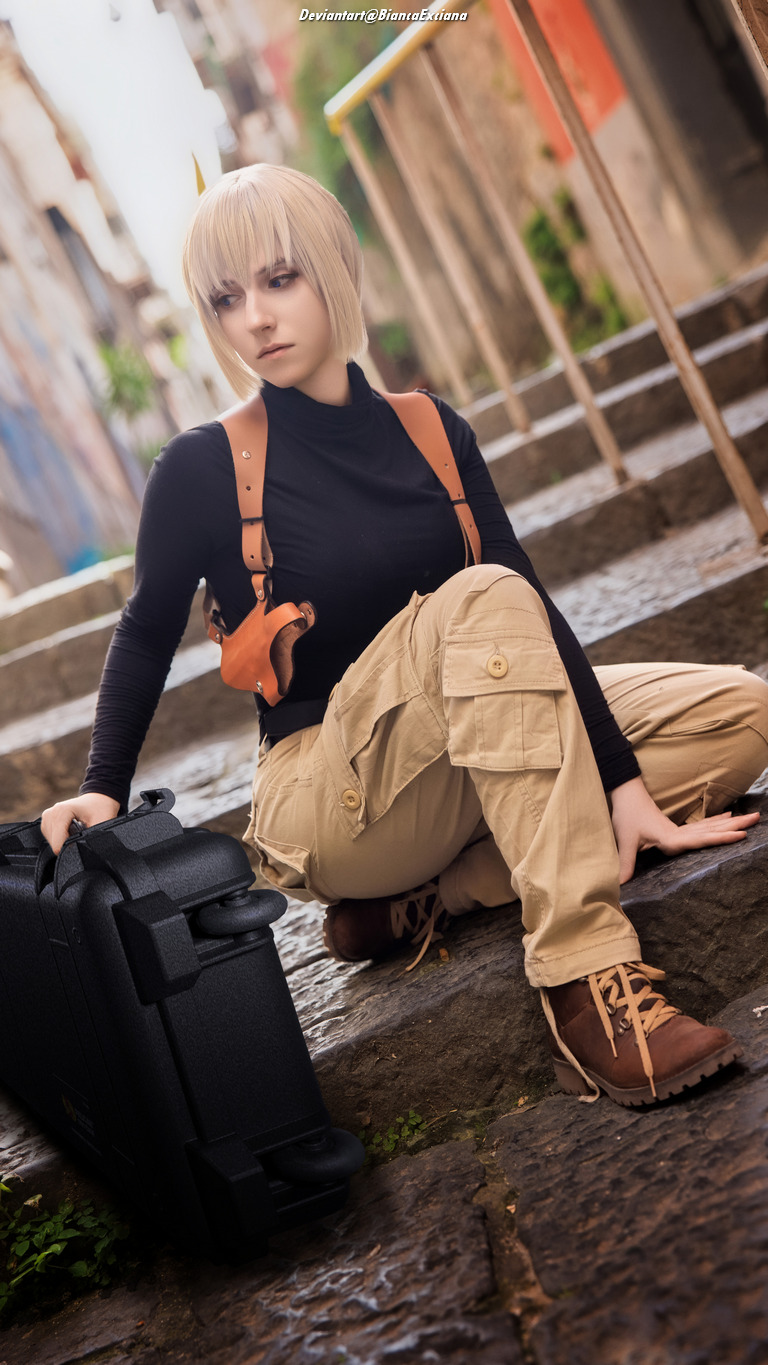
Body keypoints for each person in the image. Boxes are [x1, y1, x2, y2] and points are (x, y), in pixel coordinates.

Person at [42, 164, 768, 1108]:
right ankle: (586, 982)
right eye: (226, 299)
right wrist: (101, 792)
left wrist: (624, 782)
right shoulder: (206, 466)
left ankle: (443, 895)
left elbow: (536, 609)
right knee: (481, 598)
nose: (256, 318)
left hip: (470, 749)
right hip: (333, 793)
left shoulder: (435, 430)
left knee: (741, 715)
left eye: (279, 279)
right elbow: (144, 633)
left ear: (336, 271)